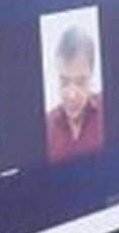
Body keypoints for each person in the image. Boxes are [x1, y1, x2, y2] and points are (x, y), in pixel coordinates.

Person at [45, 25, 105, 163]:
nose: (71, 95)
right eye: (64, 81)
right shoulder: (46, 126)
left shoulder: (112, 111)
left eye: (80, 82)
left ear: (92, 76)